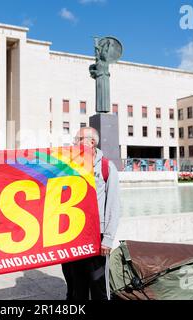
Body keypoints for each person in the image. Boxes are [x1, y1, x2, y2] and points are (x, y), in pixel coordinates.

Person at [61, 127, 120, 300]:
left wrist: (107, 239)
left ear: (91, 142)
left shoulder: (106, 167)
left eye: (77, 139)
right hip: (74, 235)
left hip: (97, 237)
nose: (74, 143)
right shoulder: (69, 165)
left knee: (98, 285)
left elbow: (114, 206)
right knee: (77, 285)